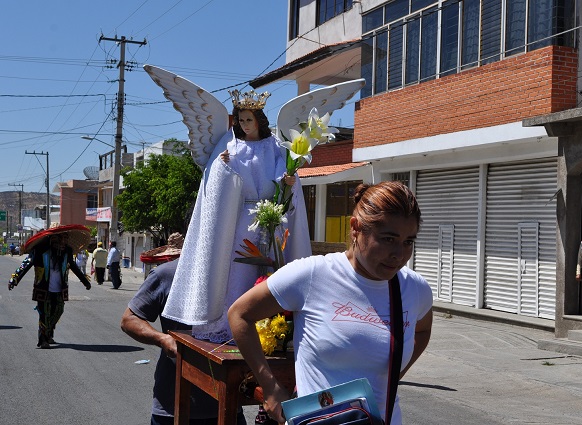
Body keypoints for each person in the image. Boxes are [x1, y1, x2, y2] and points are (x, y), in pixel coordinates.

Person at [228, 181, 434, 425]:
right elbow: (240, 314)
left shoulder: (415, 288)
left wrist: (393, 375)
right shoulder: (313, 275)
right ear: (356, 228)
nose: (399, 254)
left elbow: (422, 329)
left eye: (408, 241)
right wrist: (269, 386)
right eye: (388, 239)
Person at [162, 89, 311, 343]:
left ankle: (271, 326)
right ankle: (232, 325)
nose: (244, 125)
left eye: (249, 120)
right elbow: (215, 174)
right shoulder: (230, 144)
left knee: (270, 268)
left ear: (259, 121)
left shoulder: (273, 144)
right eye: (241, 120)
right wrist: (221, 164)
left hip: (269, 216)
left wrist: (287, 180)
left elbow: (283, 173)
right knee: (237, 269)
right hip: (241, 219)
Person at [120, 236, 247, 425]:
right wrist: (162, 339)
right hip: (174, 404)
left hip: (228, 402)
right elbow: (129, 319)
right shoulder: (166, 274)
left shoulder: (235, 277)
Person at [8, 224, 92, 348]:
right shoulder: (40, 250)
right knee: (44, 313)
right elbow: (26, 264)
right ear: (53, 239)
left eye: (65, 239)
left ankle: (48, 333)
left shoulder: (66, 251)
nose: (63, 242)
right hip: (43, 287)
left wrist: (85, 281)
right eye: (61, 239)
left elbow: (74, 267)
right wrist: (14, 278)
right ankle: (43, 340)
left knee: (58, 310)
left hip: (59, 289)